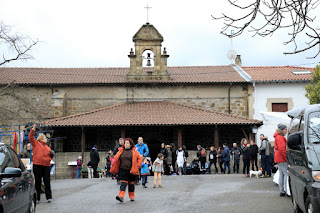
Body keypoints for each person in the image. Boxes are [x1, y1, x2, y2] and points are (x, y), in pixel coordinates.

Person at [110, 138, 143, 202]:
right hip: (122, 170)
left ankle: (132, 196)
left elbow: (140, 159)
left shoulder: (134, 151)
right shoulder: (121, 151)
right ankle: (121, 196)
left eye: (127, 143)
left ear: (130, 145)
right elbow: (116, 158)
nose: (125, 144)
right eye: (125, 143)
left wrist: (137, 166)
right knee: (123, 184)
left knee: (131, 184)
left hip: (131, 170)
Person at [29, 124, 54, 203]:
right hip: (37, 164)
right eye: (44, 138)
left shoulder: (48, 147)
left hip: (46, 165)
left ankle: (49, 197)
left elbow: (50, 157)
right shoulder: (36, 144)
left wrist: (51, 156)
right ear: (41, 139)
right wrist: (34, 128)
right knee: (38, 181)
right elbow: (30, 136)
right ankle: (37, 198)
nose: (46, 139)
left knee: (47, 181)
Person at [274, 124, 288, 197]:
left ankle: (282, 190)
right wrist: (286, 158)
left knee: (281, 174)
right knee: (285, 174)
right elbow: (282, 149)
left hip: (279, 157)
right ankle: (284, 190)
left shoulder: (278, 137)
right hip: (281, 158)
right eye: (285, 129)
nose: (286, 130)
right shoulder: (280, 138)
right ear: (282, 130)